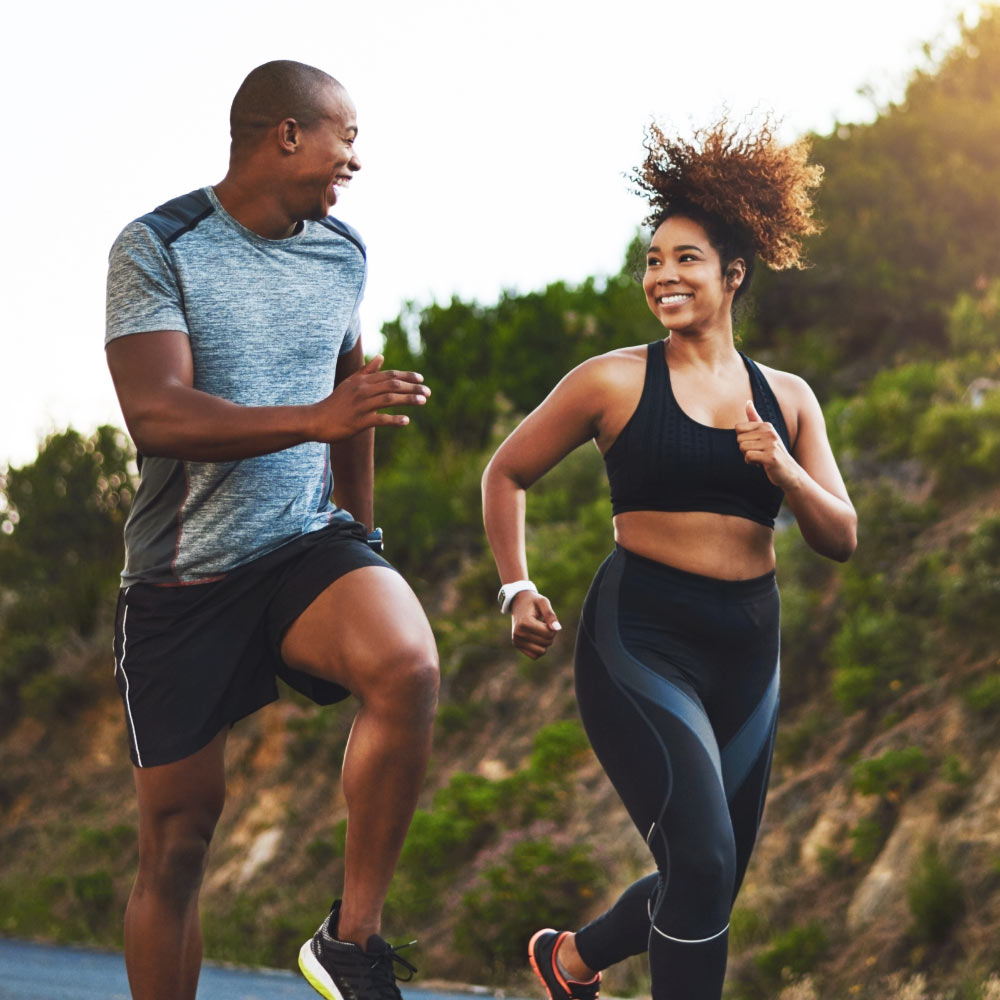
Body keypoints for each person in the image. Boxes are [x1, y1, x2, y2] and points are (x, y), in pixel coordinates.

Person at [481, 119, 857, 1000]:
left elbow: (840, 536)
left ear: (733, 274)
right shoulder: (611, 381)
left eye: (685, 259)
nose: (663, 277)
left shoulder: (789, 400)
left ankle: (568, 961)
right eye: (653, 261)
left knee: (709, 877)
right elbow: (509, 470)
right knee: (702, 854)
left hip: (748, 647)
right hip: (642, 635)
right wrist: (516, 585)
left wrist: (785, 469)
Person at [104, 60, 439, 1000]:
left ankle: (352, 941)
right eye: (348, 136)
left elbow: (352, 401)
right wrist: (312, 421)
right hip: (182, 581)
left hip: (302, 545)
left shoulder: (343, 253)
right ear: (287, 133)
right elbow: (157, 415)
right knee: (177, 845)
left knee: (406, 662)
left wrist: (362, 539)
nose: (356, 160)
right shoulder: (158, 245)